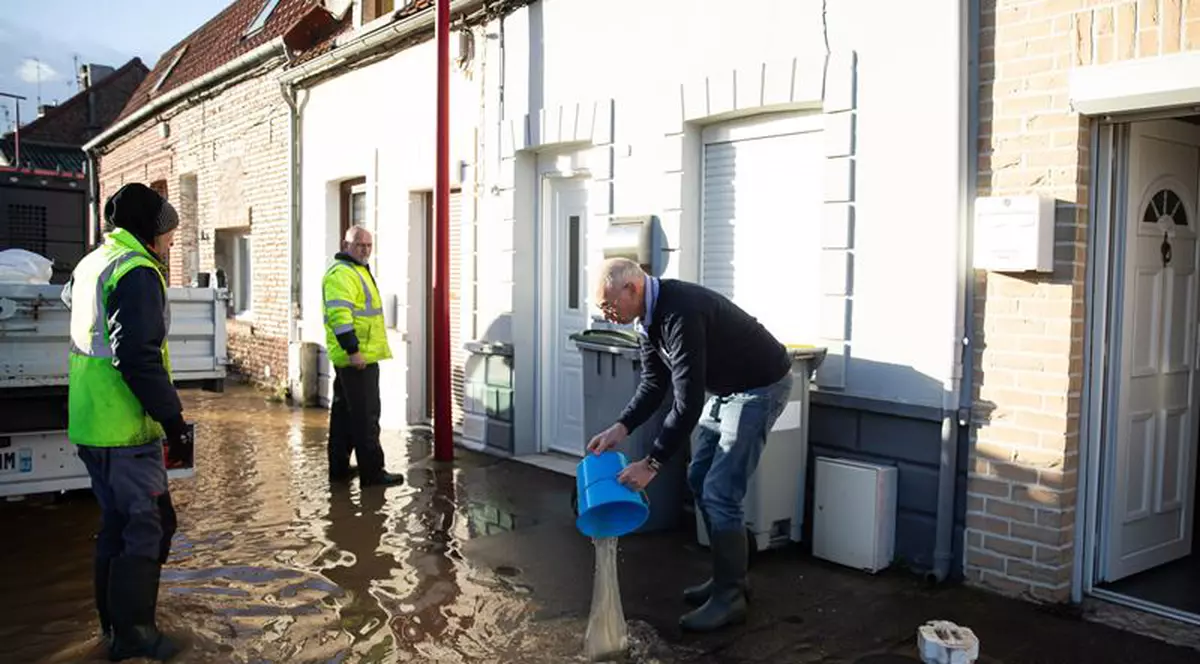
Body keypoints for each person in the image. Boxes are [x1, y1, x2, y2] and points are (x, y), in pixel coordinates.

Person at [587, 257, 793, 632]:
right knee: (700, 478)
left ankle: (731, 595)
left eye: (608, 305)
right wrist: (622, 427)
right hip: (729, 388)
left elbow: (687, 403)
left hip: (760, 386)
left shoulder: (678, 313)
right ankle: (730, 576)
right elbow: (653, 384)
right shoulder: (647, 321)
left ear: (632, 289)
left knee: (720, 490)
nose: (607, 314)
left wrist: (651, 464)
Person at [64, 182, 190, 661]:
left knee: (117, 525)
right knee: (148, 524)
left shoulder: (92, 262)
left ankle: (113, 629)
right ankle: (136, 635)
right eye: (169, 235)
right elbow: (136, 356)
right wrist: (173, 421)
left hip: (92, 424)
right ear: (150, 231)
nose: (171, 243)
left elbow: (74, 310)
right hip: (124, 428)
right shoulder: (136, 270)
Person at [322, 226, 404, 487]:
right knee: (366, 416)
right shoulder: (343, 274)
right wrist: (354, 351)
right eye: (359, 245)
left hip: (355, 358)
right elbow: (340, 317)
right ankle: (373, 473)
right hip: (357, 359)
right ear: (345, 245)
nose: (365, 250)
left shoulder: (356, 271)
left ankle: (340, 469)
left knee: (345, 415)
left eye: (369, 245)